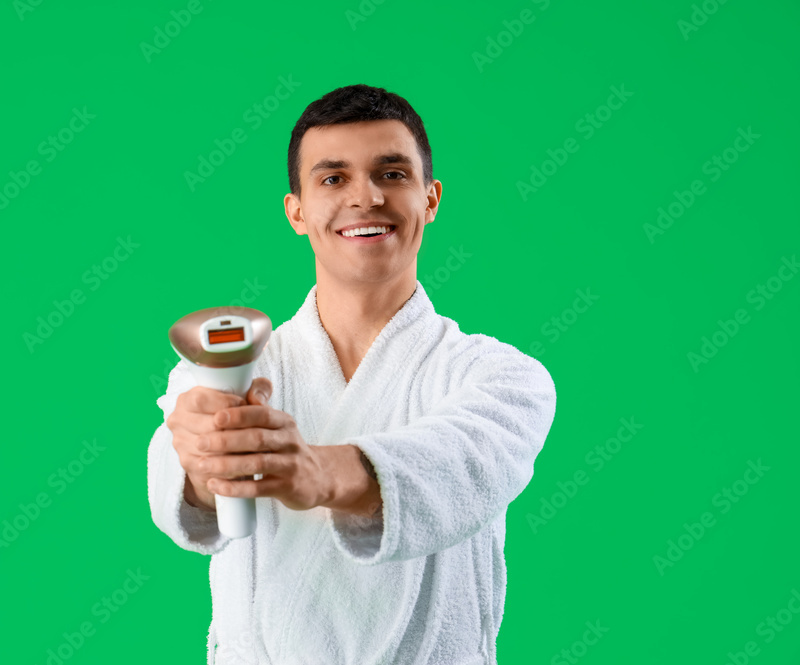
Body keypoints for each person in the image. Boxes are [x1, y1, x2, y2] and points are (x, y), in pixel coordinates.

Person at [147, 83, 557, 665]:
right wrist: (203, 459)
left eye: (391, 174)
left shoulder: (502, 380)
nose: (366, 198)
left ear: (431, 198)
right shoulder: (224, 371)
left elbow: (459, 466)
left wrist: (313, 472)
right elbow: (181, 494)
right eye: (332, 179)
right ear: (297, 211)